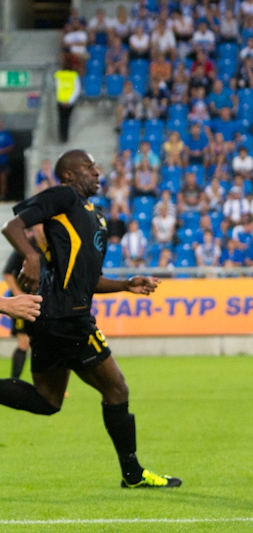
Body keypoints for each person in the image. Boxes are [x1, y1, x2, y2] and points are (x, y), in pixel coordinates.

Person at [0, 149, 181, 488]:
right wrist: (31, 257)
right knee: (116, 390)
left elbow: (88, 280)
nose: (97, 172)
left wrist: (126, 285)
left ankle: (133, 474)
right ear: (68, 175)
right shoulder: (64, 196)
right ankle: (133, 474)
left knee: (48, 400)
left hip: (51, 317)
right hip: (70, 319)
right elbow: (12, 225)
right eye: (88, 166)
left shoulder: (94, 216)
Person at [2, 225, 46, 377]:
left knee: (44, 343)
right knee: (24, 342)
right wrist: (17, 294)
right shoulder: (25, 246)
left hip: (40, 301)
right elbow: (8, 273)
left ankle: (47, 385)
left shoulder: (52, 246)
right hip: (21, 302)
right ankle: (14, 381)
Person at [53, 57, 81, 143]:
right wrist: (70, 100)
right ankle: (64, 137)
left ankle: (63, 137)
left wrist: (65, 100)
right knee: (65, 120)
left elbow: (57, 87)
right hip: (67, 101)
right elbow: (77, 89)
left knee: (63, 120)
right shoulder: (73, 75)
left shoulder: (59, 74)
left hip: (63, 101)